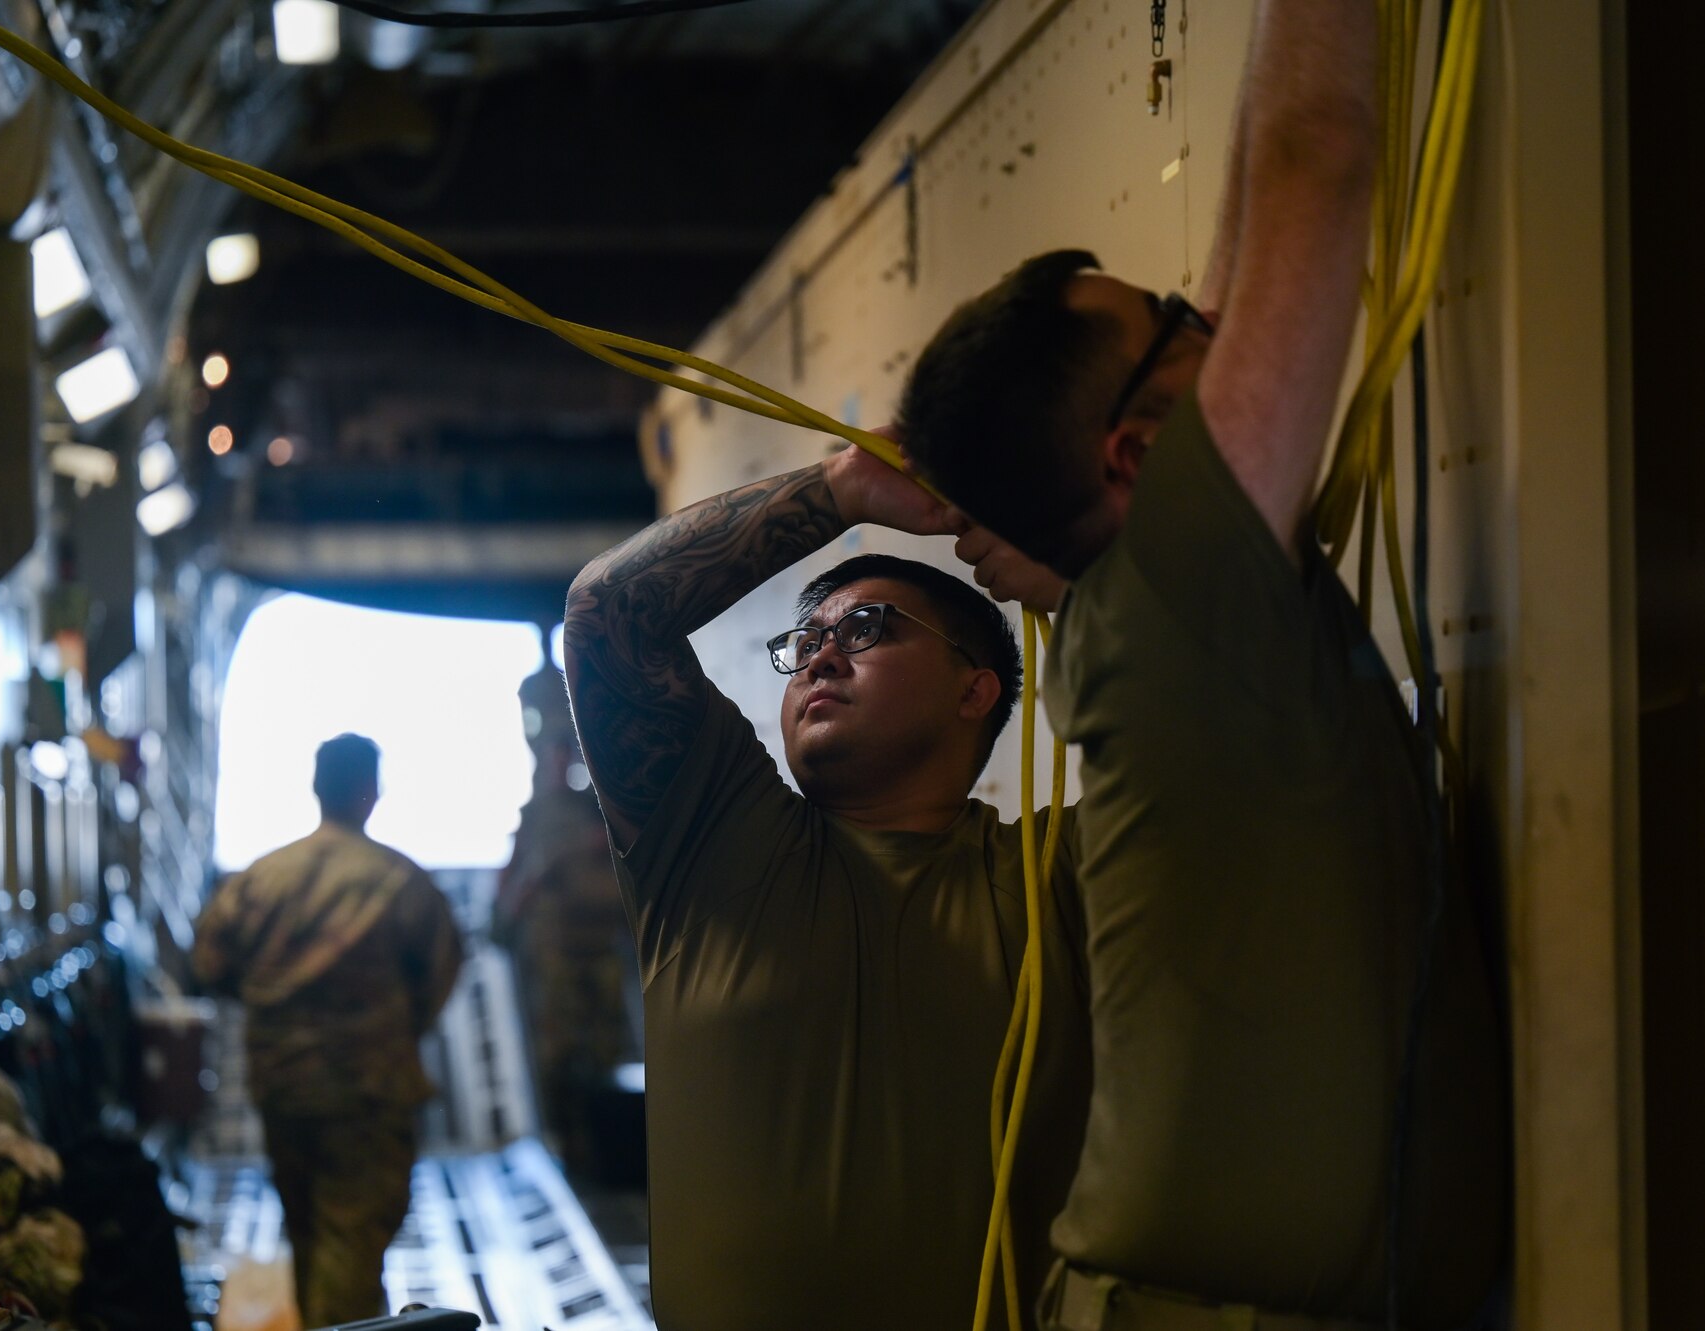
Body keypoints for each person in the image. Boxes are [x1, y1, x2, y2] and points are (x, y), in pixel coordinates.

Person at [898, 1, 1509, 1327]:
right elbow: (1316, 158)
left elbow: (1244, 265)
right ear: (1134, 452)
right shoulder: (1177, 592)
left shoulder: (1157, 609)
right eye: (1169, 318)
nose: (1206, 315)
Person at [561, 446, 1090, 1330]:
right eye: (803, 642)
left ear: (976, 689)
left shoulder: (1054, 876)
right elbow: (608, 612)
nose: (819, 658)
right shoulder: (719, 847)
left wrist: (1078, 585)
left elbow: (1229, 732)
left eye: (868, 629)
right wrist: (840, 489)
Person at [193, 734, 461, 1327]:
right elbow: (439, 971)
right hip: (367, 1092)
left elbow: (211, 962)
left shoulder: (261, 877)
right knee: (352, 1239)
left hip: (283, 1085)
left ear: (317, 788)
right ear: (372, 793)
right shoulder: (398, 881)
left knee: (308, 1227)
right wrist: (390, 1029)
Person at [495, 665, 639, 1176]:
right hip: (555, 950)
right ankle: (571, 1147)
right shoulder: (536, 818)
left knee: (607, 1051)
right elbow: (514, 887)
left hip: (598, 943)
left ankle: (607, 1149)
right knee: (560, 1054)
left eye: (566, 753)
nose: (561, 763)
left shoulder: (593, 810)